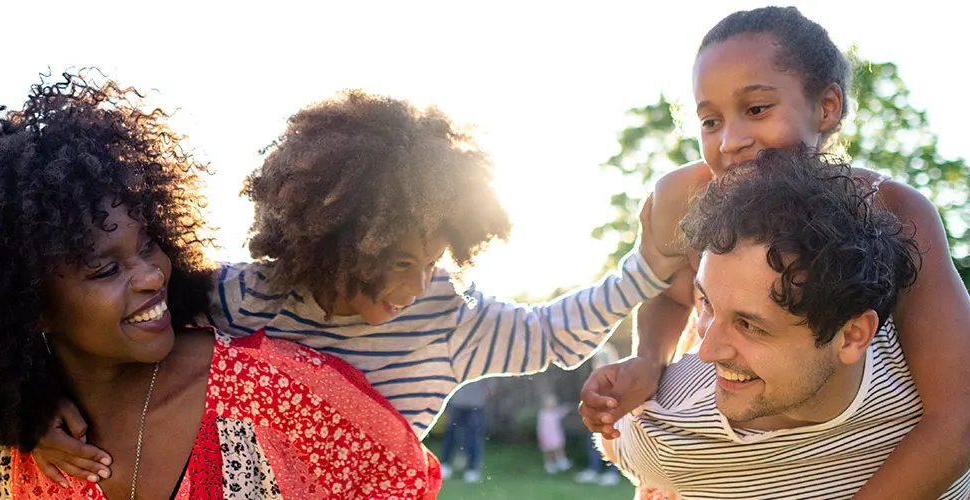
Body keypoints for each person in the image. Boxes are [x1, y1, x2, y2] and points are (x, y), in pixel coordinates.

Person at [0, 74, 439, 499]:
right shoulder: (3, 453)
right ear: (22, 304)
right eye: (104, 268)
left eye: (147, 246)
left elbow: (406, 483)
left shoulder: (276, 392)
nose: (150, 275)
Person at [34, 90, 686, 483]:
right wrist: (29, 405)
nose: (415, 284)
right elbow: (111, 334)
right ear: (324, 244)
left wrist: (647, 266)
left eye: (430, 262)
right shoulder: (243, 297)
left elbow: (553, 335)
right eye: (396, 263)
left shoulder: (445, 317)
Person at [581, 7, 970, 498]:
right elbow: (672, 296)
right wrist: (646, 361)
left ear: (826, 107)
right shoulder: (685, 198)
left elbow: (958, 423)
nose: (730, 141)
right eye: (710, 120)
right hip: (730, 442)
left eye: (756, 109)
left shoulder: (891, 210)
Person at [603, 147, 970, 499]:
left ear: (853, 335)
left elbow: (962, 426)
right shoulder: (669, 426)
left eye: (750, 325)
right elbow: (615, 445)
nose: (707, 350)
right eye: (707, 303)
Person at [575, 345, 624, 486]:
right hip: (596, 417)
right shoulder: (595, 379)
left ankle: (612, 473)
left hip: (611, 419)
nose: (596, 365)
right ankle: (593, 470)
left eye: (599, 362)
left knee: (612, 445)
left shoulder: (614, 379)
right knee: (593, 444)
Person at [438, 379, 490, 483]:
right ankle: (445, 464)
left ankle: (472, 469)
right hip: (457, 403)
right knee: (451, 435)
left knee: (473, 437)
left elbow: (489, 388)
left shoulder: (483, 365)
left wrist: (478, 398)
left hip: (475, 405)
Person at [537, 392, 573, 474]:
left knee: (559, 447)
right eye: (549, 402)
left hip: (556, 434)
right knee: (548, 451)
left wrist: (567, 408)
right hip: (546, 435)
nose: (552, 403)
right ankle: (549, 465)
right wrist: (541, 436)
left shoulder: (556, 412)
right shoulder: (543, 414)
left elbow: (563, 412)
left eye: (553, 402)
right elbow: (540, 426)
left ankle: (562, 462)